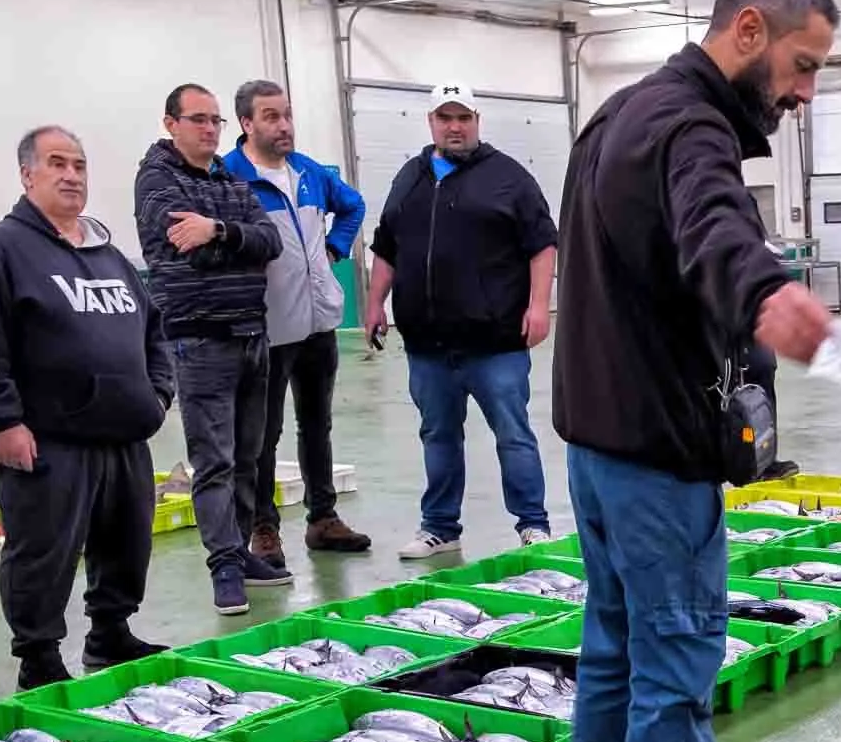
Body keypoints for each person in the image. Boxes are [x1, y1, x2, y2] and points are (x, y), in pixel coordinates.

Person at [551, 0, 838, 742]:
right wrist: (764, 292)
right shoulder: (691, 127)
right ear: (748, 30)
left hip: (593, 446)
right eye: (802, 66)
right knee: (674, 667)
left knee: (614, 644)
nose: (803, 93)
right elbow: (713, 222)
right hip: (654, 454)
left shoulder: (619, 113)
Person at [0, 127, 175, 688]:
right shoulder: (0, 249)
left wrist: (157, 395)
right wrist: (3, 419)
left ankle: (110, 632)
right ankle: (39, 656)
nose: (72, 175)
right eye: (57, 164)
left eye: (79, 165)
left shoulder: (108, 253)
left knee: (126, 541)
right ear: (28, 175)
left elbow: (153, 329)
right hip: (49, 438)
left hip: (124, 433)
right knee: (42, 551)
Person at [363, 82, 557, 557]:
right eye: (445, 118)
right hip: (428, 344)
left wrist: (538, 305)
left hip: (495, 343)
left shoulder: (508, 176)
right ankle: (440, 527)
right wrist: (374, 304)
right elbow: (387, 246)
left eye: (463, 118)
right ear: (431, 122)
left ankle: (532, 523)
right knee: (438, 435)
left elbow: (542, 244)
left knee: (513, 434)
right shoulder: (410, 176)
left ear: (477, 121)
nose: (455, 127)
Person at [135, 82, 282, 615]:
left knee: (248, 457)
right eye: (198, 119)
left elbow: (272, 241)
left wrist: (219, 229)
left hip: (251, 336)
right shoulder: (156, 181)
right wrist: (237, 242)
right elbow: (190, 253)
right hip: (200, 342)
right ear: (170, 122)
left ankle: (241, 553)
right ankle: (223, 565)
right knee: (214, 461)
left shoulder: (228, 178)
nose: (209, 129)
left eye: (216, 121)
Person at [222, 79, 372, 563]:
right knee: (263, 435)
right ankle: (264, 529)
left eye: (287, 114)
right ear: (247, 123)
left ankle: (323, 517)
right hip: (265, 329)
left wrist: (334, 248)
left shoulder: (310, 172)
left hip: (316, 323)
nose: (284, 125)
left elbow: (353, 207)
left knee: (317, 423)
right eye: (271, 116)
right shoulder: (229, 179)